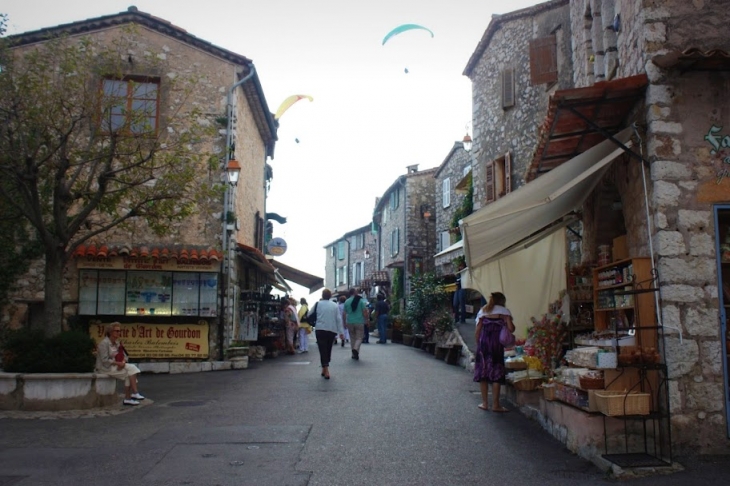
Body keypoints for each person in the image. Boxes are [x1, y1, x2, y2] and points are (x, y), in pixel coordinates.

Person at [473, 292, 515, 413]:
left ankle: (485, 403)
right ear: (502, 300)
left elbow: (477, 331)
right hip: (497, 345)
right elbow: (511, 329)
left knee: (483, 373)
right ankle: (496, 404)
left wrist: (478, 344)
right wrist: (507, 320)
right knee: (497, 372)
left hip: (483, 344)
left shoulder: (483, 311)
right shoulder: (505, 312)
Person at [95, 322, 146, 406]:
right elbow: (104, 360)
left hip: (117, 366)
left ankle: (128, 398)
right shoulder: (104, 344)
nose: (119, 333)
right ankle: (134, 393)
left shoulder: (117, 343)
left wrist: (122, 363)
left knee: (129, 373)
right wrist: (117, 363)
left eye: (119, 331)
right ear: (110, 332)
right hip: (106, 368)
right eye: (116, 331)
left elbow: (125, 356)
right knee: (132, 369)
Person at [308, 288, 344, 379]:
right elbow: (338, 319)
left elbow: (309, 314)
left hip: (320, 329)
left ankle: (325, 368)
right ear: (330, 296)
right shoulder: (334, 305)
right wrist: (341, 332)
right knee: (328, 349)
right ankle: (325, 367)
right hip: (331, 330)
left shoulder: (318, 304)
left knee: (322, 349)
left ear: (322, 295)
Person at [343, 287, 369, 360]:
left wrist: (344, 322)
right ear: (354, 293)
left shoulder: (347, 301)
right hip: (359, 321)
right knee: (359, 337)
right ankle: (355, 349)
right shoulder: (360, 301)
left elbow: (344, 313)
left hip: (350, 322)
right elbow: (364, 312)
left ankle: (354, 354)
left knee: (352, 338)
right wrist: (367, 320)